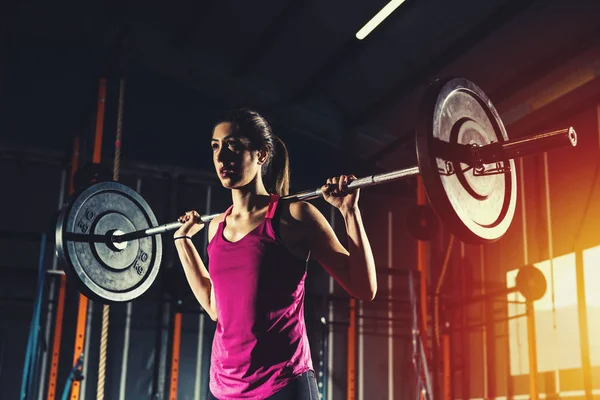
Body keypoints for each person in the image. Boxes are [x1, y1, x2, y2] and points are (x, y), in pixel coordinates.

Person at [173, 109, 377, 400]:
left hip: (282, 385)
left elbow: (363, 286)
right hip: (224, 388)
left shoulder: (294, 216)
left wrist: (349, 212)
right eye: (216, 147)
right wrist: (182, 242)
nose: (221, 158)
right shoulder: (216, 227)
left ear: (261, 154)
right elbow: (215, 306)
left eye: (232, 145)